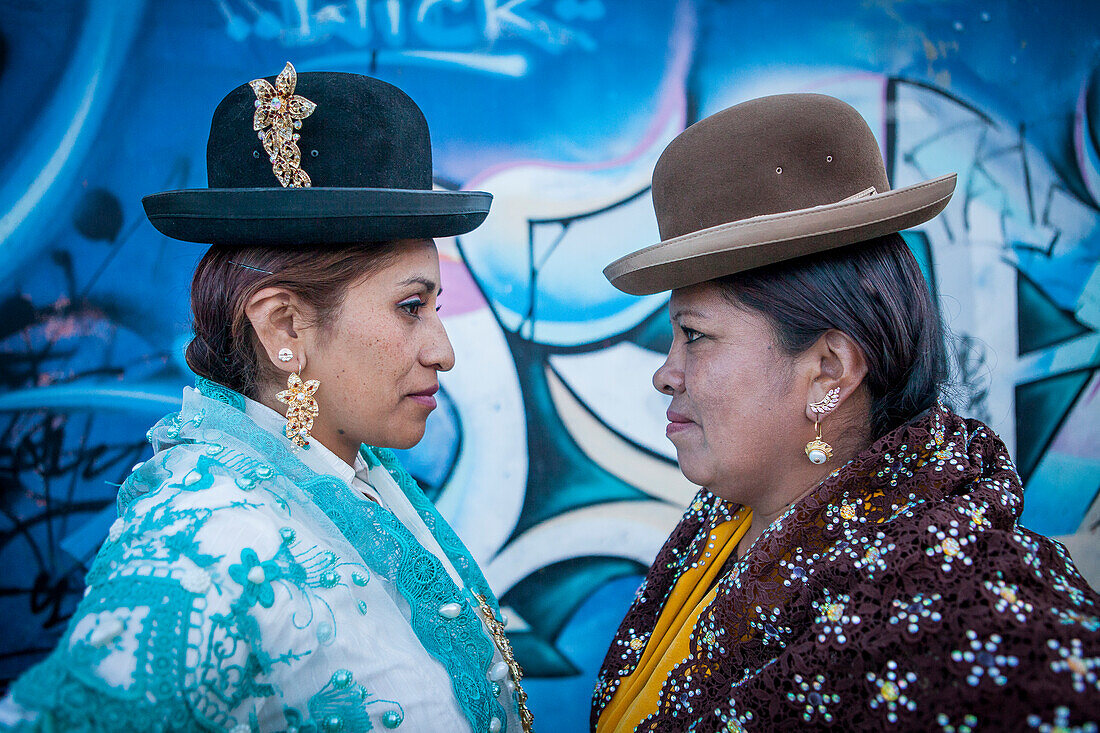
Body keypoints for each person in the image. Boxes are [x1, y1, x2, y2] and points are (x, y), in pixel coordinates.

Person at [0, 63, 532, 733]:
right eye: (410, 306)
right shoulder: (204, 547)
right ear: (284, 326)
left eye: (435, 304)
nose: (442, 350)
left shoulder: (355, 478)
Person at [591, 93, 1099, 731]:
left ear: (830, 369)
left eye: (694, 335)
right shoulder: (734, 521)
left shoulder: (954, 621)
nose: (666, 373)